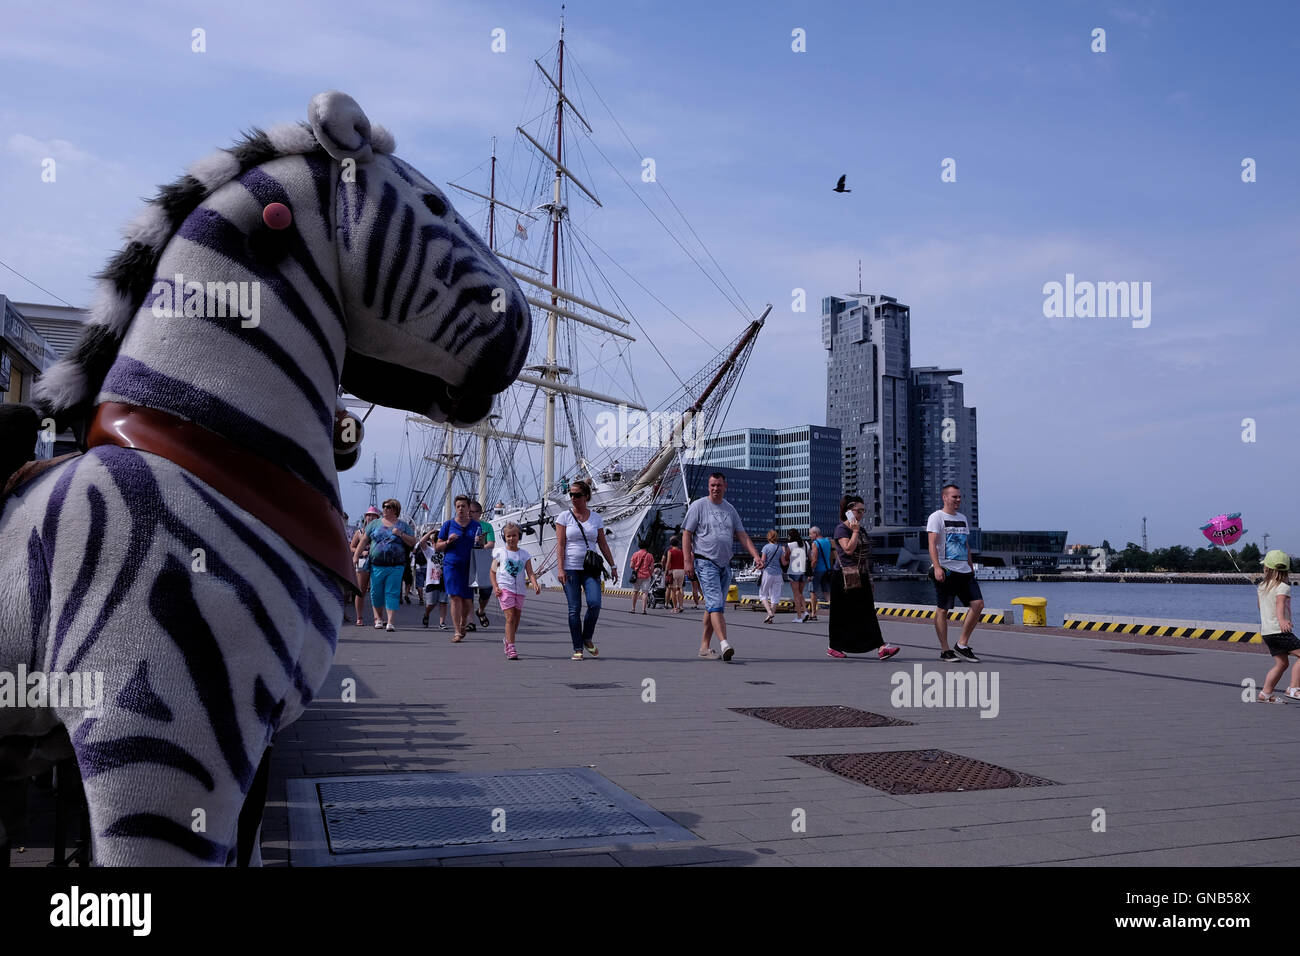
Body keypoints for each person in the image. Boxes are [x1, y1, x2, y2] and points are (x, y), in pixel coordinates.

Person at [682, 472, 763, 661]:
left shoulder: (730, 509)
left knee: (713, 606)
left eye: (719, 485)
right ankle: (724, 643)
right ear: (708, 487)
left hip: (724, 564)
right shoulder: (699, 506)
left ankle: (704, 646)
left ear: (725, 486)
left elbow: (742, 535)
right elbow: (687, 533)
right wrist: (687, 561)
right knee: (716, 604)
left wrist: (756, 555)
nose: (715, 488)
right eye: (712, 485)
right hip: (705, 561)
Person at [829, 496, 900, 661]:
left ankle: (881, 647)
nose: (861, 514)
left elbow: (865, 555)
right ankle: (834, 646)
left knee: (867, 611)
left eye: (863, 511)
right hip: (844, 576)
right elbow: (847, 549)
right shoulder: (841, 529)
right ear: (848, 511)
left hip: (860, 574)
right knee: (841, 613)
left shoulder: (862, 530)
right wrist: (854, 531)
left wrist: (870, 577)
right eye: (858, 511)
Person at [556, 479, 619, 659]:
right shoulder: (564, 517)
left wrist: (613, 566)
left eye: (577, 495)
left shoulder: (596, 518)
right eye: (571, 495)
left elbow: (603, 544)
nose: (573, 498)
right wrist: (560, 569)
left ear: (587, 496)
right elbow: (560, 545)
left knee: (595, 603)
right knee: (574, 609)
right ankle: (578, 648)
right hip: (570, 568)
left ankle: (587, 637)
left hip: (591, 568)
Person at [927, 484, 984, 662]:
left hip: (964, 570)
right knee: (943, 610)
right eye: (954, 497)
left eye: (959, 497)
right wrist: (937, 567)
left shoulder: (962, 518)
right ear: (945, 498)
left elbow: (964, 544)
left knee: (978, 604)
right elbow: (931, 543)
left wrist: (970, 564)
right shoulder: (936, 517)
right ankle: (945, 650)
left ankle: (962, 644)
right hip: (946, 569)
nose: (958, 500)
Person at [354, 499, 416, 632]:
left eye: (388, 507)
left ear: (395, 509)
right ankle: (378, 618)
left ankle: (390, 621)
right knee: (376, 592)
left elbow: (412, 542)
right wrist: (355, 556)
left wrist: (400, 534)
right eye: (384, 507)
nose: (385, 509)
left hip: (396, 565)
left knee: (392, 592)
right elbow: (363, 541)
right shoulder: (374, 524)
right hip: (377, 565)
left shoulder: (403, 525)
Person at [436, 494, 489, 643]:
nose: (460, 509)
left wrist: (479, 541)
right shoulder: (448, 525)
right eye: (458, 506)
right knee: (455, 597)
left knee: (467, 600)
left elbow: (481, 547)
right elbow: (437, 546)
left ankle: (463, 622)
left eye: (463, 506)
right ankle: (457, 631)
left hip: (469, 564)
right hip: (452, 564)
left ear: (468, 509)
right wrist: (448, 541)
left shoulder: (476, 526)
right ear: (455, 508)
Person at [490, 522, 541, 661]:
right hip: (505, 588)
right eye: (508, 536)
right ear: (504, 537)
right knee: (510, 618)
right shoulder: (500, 553)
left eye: (514, 536)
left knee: (516, 619)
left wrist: (535, 583)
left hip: (520, 590)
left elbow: (530, 572)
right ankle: (511, 647)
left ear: (519, 536)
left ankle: (507, 639)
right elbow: (492, 572)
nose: (511, 538)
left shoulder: (525, 554)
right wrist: (495, 586)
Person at [1256, 550, 1296, 703]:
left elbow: (1260, 607)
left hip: (1267, 632)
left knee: (1282, 663)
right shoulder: (1283, 587)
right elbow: (1280, 604)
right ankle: (1294, 688)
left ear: (1266, 568)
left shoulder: (1262, 586)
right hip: (1279, 631)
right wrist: (1282, 620)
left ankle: (1265, 694)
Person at [349, 505, 380, 626]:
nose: (371, 517)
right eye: (369, 515)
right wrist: (361, 551)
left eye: (373, 515)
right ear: (365, 517)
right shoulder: (360, 532)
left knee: (376, 590)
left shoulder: (380, 531)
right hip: (362, 562)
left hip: (376, 562)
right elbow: (351, 547)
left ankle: (377, 618)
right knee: (360, 590)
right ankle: (359, 617)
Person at [468, 501, 496, 630]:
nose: (470, 514)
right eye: (469, 512)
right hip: (469, 562)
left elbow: (491, 543)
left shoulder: (487, 526)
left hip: (483, 561)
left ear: (479, 513)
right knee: (468, 593)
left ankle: (481, 610)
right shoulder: (465, 525)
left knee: (486, 591)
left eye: (473, 512)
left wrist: (480, 547)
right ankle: (471, 621)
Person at [417, 528, 449, 629]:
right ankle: (426, 614)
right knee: (431, 603)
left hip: (444, 580)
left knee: (443, 602)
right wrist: (431, 532)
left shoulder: (447, 552)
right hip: (432, 580)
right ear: (433, 542)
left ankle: (442, 623)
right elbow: (421, 541)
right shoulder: (429, 551)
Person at [758, 529, 787, 623]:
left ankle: (769, 612)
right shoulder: (780, 548)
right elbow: (783, 562)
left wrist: (759, 566)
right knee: (775, 596)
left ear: (768, 537)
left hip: (768, 572)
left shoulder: (766, 547)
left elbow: (762, 562)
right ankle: (770, 618)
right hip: (778, 573)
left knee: (763, 594)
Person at [807, 526, 833, 622]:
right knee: (826, 592)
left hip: (817, 570)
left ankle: (813, 614)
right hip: (827, 569)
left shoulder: (815, 543)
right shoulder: (827, 541)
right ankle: (836, 612)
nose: (810, 536)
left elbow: (814, 560)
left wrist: (810, 573)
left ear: (815, 533)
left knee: (813, 592)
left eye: (810, 534)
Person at [787, 529, 809, 623]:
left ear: (791, 536)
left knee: (796, 594)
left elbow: (785, 557)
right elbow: (809, 557)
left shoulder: (790, 545)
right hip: (803, 571)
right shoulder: (806, 544)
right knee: (800, 593)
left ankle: (799, 617)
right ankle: (806, 611)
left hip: (793, 571)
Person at [630, 540, 656, 614]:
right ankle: (644, 609)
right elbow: (652, 567)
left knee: (635, 592)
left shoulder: (635, 554)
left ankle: (633, 608)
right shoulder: (649, 555)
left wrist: (636, 569)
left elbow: (631, 565)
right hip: (646, 576)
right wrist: (650, 574)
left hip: (637, 576)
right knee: (645, 592)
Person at [665, 536, 686, 613]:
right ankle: (681, 606)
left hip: (674, 571)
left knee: (673, 590)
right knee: (680, 589)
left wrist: (667, 571)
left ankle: (675, 608)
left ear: (671, 544)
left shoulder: (670, 551)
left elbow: (668, 562)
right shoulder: (682, 552)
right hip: (682, 571)